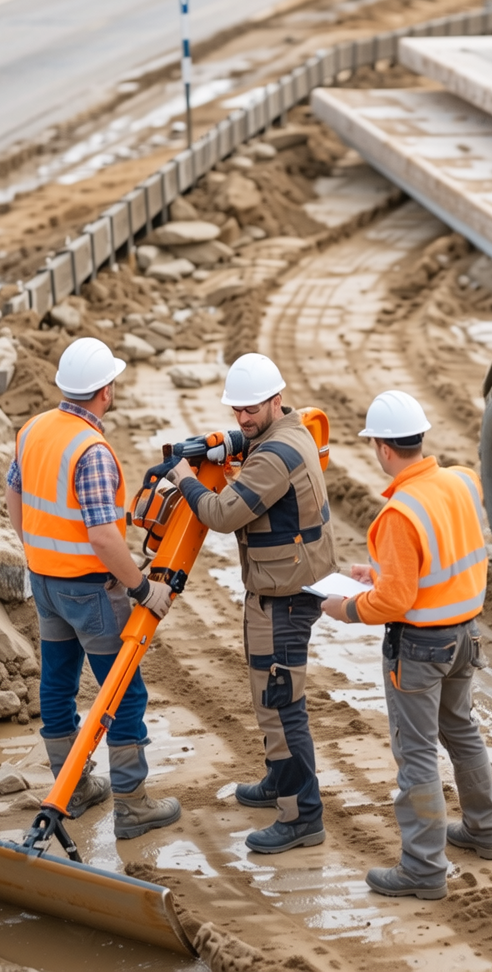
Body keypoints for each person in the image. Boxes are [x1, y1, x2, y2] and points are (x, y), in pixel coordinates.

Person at [321, 390, 492, 900]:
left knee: (417, 755)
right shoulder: (461, 481)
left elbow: (394, 603)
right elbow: (437, 555)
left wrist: (349, 607)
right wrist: (378, 572)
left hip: (420, 650)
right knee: (462, 732)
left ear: (381, 448)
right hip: (466, 637)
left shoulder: (398, 515)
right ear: (419, 438)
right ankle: (486, 831)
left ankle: (423, 869)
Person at [5, 337, 182, 840]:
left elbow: (13, 493)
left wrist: (38, 549)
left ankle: (75, 786)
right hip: (89, 590)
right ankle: (133, 804)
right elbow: (104, 536)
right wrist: (142, 588)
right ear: (104, 390)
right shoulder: (92, 449)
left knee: (57, 683)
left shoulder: (35, 428)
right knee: (121, 690)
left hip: (44, 582)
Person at [167, 353, 338, 855]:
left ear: (275, 400)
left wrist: (184, 476)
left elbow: (221, 513)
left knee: (281, 708)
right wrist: (228, 444)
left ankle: (301, 815)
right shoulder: (293, 430)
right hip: (282, 588)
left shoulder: (272, 458)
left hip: (283, 597)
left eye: (251, 409)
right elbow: (257, 441)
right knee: (272, 699)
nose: (242, 418)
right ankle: (276, 781)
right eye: (236, 409)